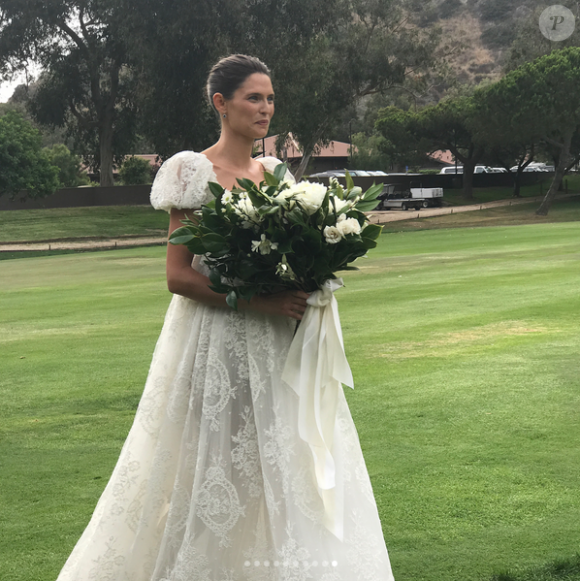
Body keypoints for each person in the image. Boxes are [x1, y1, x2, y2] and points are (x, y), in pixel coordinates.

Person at [56, 54, 395, 581]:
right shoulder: (192, 170)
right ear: (221, 103)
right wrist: (257, 301)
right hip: (218, 342)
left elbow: (287, 257)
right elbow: (178, 276)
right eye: (253, 98)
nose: (266, 108)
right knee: (217, 465)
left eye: (271, 98)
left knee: (288, 462)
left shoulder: (278, 174)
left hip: (281, 344)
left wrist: (308, 280)